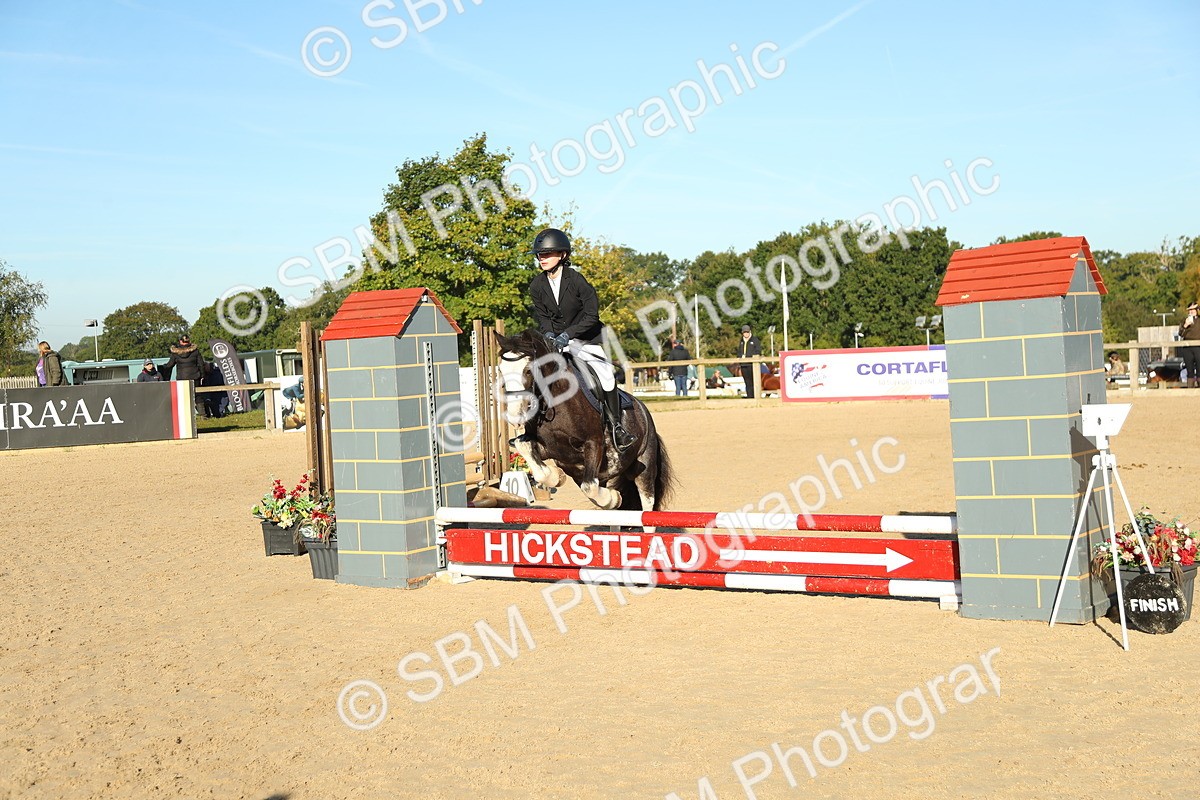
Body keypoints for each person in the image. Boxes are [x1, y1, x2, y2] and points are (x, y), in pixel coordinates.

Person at [527, 227, 636, 451]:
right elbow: (543, 317)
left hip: (586, 340)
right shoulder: (537, 285)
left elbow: (591, 315)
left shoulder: (576, 281)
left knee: (605, 376)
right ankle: (532, 429)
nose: (542, 258)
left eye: (547, 254)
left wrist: (569, 335)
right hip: (555, 342)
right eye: (540, 254)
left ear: (563, 256)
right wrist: (549, 334)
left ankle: (617, 428)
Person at [736, 324, 762, 398]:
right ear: (742, 333)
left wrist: (750, 357)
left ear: (750, 332)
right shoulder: (741, 341)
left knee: (754, 381)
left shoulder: (755, 340)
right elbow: (739, 351)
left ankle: (756, 397)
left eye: (747, 332)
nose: (746, 334)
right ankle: (749, 397)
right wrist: (740, 357)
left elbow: (758, 351)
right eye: (744, 332)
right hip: (744, 364)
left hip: (752, 364)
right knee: (747, 382)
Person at [1179, 302, 1200, 388]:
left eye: (1193, 309)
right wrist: (1185, 325)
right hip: (1188, 347)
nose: (1191, 311)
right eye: (1190, 310)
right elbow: (1181, 333)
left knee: (1199, 369)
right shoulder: (1184, 320)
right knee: (1189, 370)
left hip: (1198, 346)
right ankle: (1190, 388)